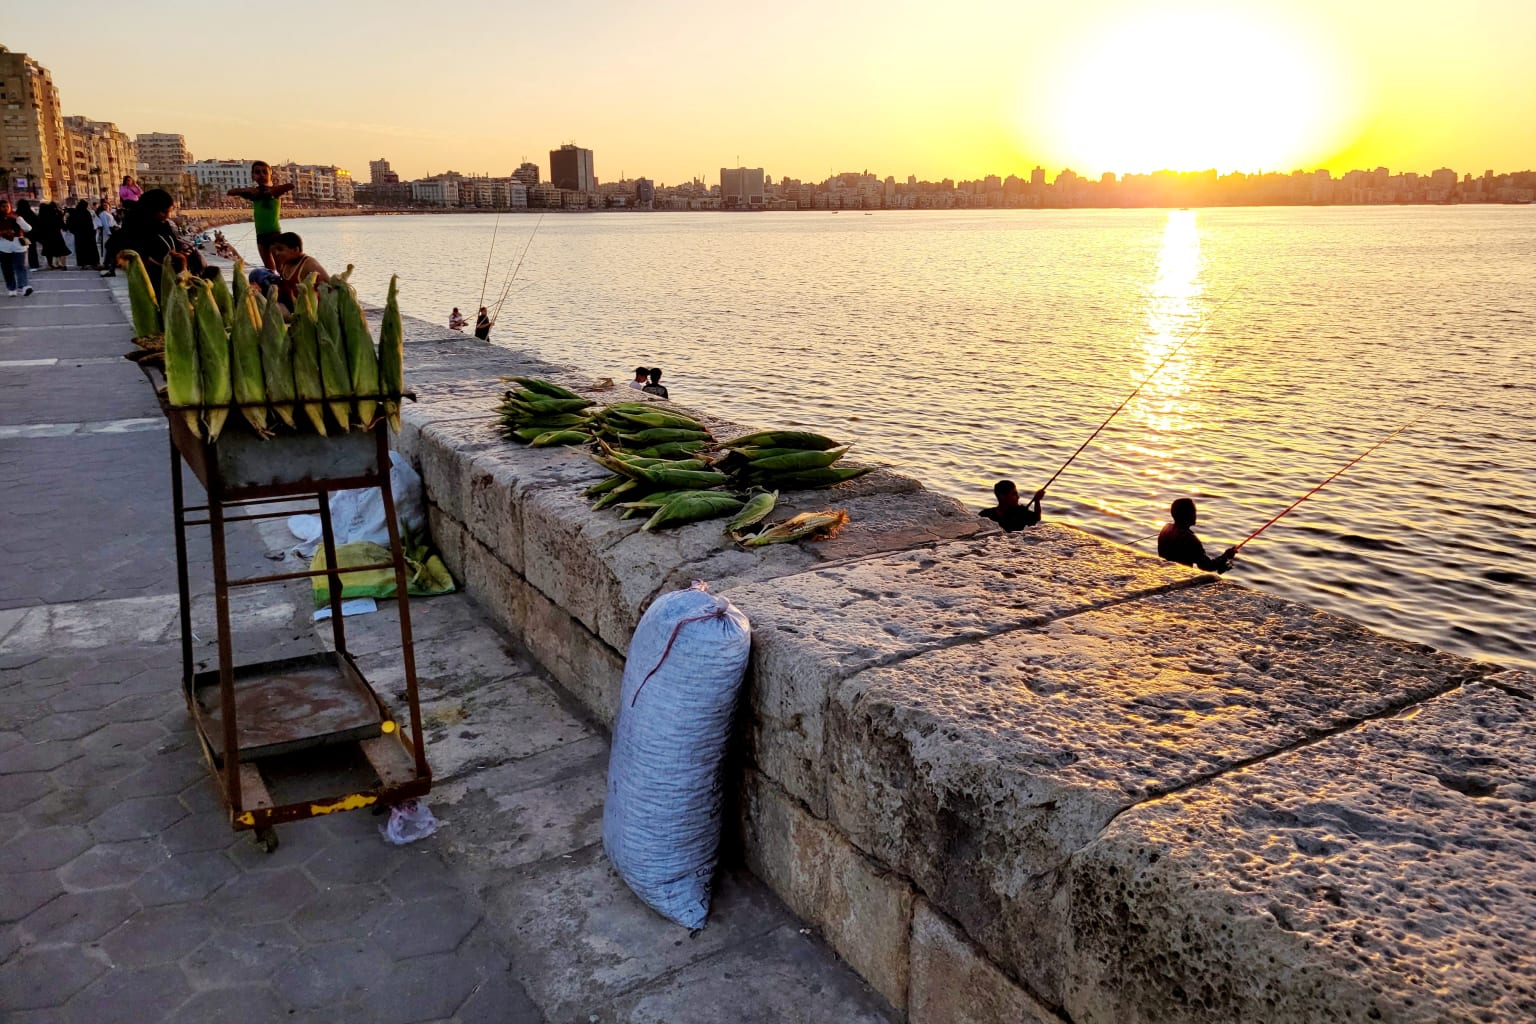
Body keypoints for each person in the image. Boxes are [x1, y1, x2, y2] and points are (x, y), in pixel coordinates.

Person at [104, 188, 206, 295]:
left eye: (169, 212)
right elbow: (117, 247)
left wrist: (183, 251)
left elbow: (173, 243)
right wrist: (154, 263)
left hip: (172, 284)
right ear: (151, 210)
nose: (168, 216)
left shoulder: (163, 225)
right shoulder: (134, 228)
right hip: (153, 287)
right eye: (164, 212)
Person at [226, 160, 295, 270]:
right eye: (257, 172)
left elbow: (290, 185)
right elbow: (230, 192)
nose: (261, 175)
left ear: (270, 175)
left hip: (274, 235)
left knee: (281, 267)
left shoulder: (275, 191)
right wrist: (249, 190)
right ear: (253, 176)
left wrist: (268, 192)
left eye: (265, 172)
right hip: (260, 236)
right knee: (269, 268)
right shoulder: (253, 194)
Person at [1157, 498, 1236, 573]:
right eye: (1194, 512)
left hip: (1165, 572)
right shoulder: (1190, 539)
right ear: (1187, 515)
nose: (1195, 515)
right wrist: (1226, 556)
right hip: (1181, 576)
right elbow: (1206, 566)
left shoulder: (1165, 529)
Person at [268, 231, 329, 308]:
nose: (276, 253)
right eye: (276, 250)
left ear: (295, 250)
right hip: (292, 304)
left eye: (280, 249)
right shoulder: (286, 262)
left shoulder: (310, 264)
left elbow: (329, 285)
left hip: (307, 310)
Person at [979, 479, 1043, 532]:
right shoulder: (986, 514)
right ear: (1002, 497)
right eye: (1014, 494)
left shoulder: (1021, 513)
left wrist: (1037, 501)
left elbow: (1036, 518)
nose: (1018, 497)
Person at [0, 219, 33, 297]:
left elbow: (28, 228)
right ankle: (12, 288)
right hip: (3, 247)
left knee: (20, 266)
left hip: (18, 246)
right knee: (7, 269)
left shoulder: (16, 217)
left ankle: (24, 286)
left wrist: (19, 219)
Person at [35, 203, 70, 270]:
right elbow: (62, 225)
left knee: (49, 251)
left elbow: (39, 227)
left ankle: (50, 265)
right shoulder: (56, 215)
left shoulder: (42, 216)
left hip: (47, 236)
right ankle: (63, 265)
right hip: (57, 235)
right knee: (62, 250)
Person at [68, 200, 100, 270]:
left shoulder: (75, 212)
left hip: (79, 235)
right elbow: (90, 224)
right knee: (91, 249)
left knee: (81, 250)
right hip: (88, 234)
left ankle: (83, 264)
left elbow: (70, 223)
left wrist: (74, 231)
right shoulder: (86, 212)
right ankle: (93, 263)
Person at [14, 200, 40, 271]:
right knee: (32, 250)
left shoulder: (17, 214)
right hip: (31, 234)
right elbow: (37, 222)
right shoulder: (31, 213)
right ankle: (34, 265)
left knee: (20, 250)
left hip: (20, 234)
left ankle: (21, 264)